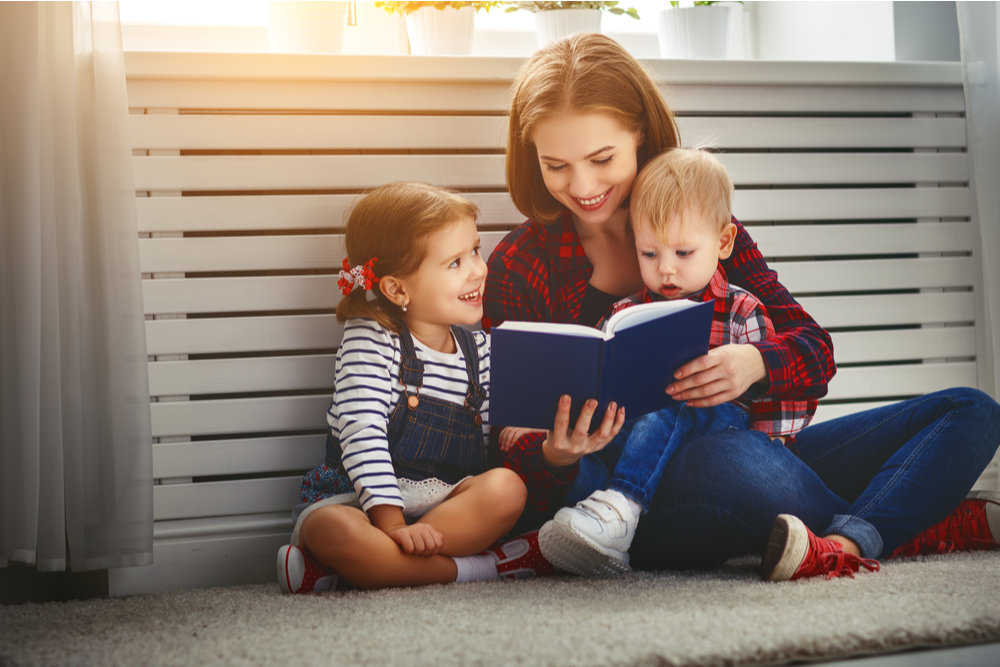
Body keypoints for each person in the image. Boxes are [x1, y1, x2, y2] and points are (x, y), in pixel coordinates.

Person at [485, 32, 1000, 582]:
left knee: (970, 411)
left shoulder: (703, 228)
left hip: (750, 453)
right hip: (632, 497)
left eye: (601, 158)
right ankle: (918, 520)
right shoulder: (522, 262)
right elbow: (500, 439)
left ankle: (845, 541)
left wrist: (753, 366)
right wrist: (553, 456)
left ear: (638, 133)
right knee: (726, 460)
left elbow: (815, 352)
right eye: (556, 165)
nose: (582, 185)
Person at [277, 181, 624, 593]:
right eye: (455, 262)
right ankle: (487, 568)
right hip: (360, 500)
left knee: (507, 489)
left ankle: (356, 572)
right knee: (330, 528)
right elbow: (361, 433)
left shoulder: (483, 350)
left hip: (445, 508)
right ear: (396, 288)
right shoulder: (372, 338)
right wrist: (390, 524)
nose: (478, 269)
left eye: (475, 250)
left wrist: (544, 440)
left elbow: (503, 441)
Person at [532, 147, 817, 577]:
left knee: (675, 394)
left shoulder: (742, 309)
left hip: (713, 438)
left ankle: (623, 505)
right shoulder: (623, 313)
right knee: (582, 453)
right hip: (636, 439)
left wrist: (771, 446)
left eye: (683, 253)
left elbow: (779, 394)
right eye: (650, 254)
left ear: (723, 243)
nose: (666, 270)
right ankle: (602, 532)